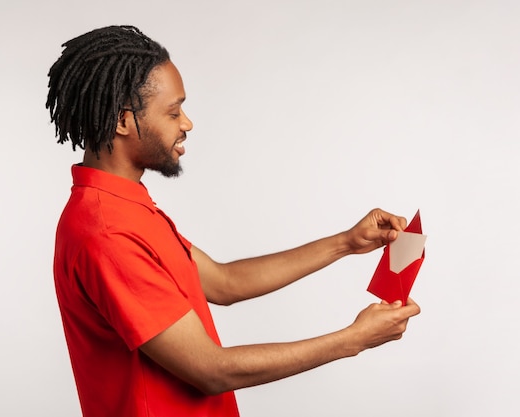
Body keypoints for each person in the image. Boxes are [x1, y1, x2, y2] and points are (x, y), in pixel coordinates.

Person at [46, 25, 421, 417]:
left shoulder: (125, 207)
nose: (187, 123)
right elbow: (209, 370)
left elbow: (225, 282)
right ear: (122, 121)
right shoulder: (107, 232)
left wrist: (346, 242)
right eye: (173, 112)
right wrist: (352, 340)